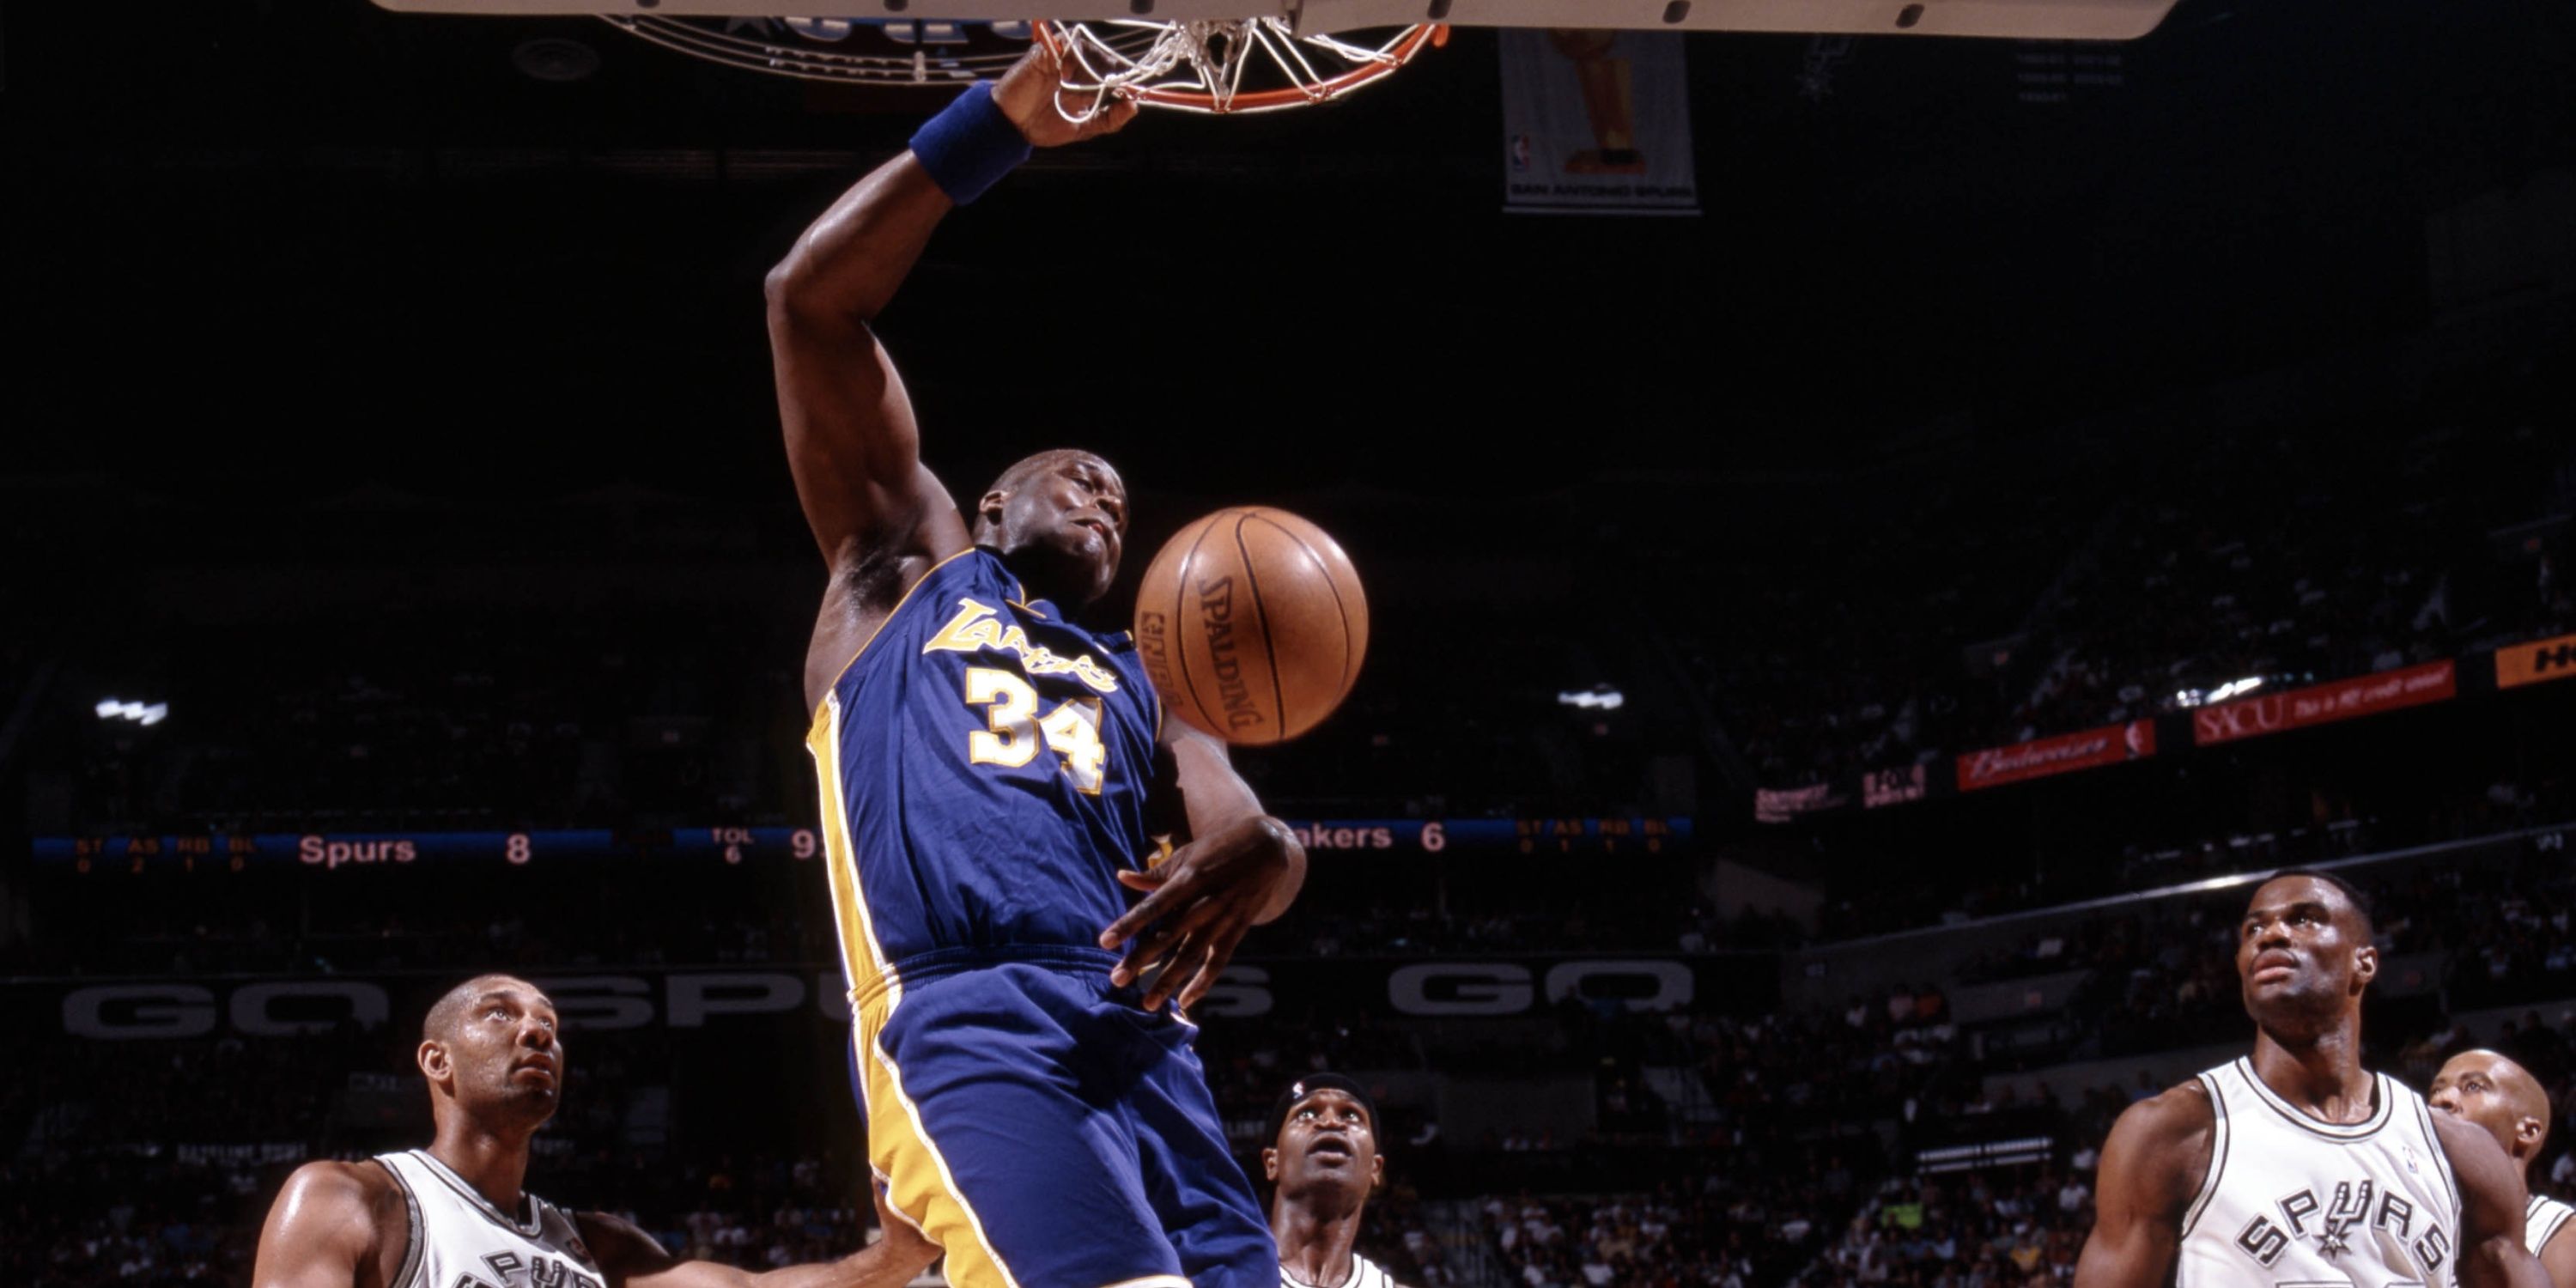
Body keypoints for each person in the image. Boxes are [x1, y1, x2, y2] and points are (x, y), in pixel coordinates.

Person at [766, 43, 1308, 1288]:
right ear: (994, 506)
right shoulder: (906, 572)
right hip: (973, 1015)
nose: (1107, 497)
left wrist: (1271, 854)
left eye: (1121, 495)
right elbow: (808, 301)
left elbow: (1244, 849)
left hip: (1144, 1040)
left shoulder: (1152, 673)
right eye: (1078, 478)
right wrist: (996, 124)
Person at [250, 975, 933, 1288]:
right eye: (498, 1014)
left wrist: (896, 1256)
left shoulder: (599, 1245)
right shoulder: (351, 1199)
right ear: (437, 1061)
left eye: (548, 1022)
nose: (537, 1028)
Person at [2075, 872, 2546, 1286]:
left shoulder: (2460, 1152)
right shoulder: (2173, 1133)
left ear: (2364, 962)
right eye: (2254, 927)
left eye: (2304, 919)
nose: (2271, 934)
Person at [2429, 1048, 2576, 1283]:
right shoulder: (2415, 1223)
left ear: (2527, 1131)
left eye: (2473, 1087)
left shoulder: (2564, 1237)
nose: (2441, 1099)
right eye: (2436, 1090)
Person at [1265, 1075, 1408, 1288]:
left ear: (1375, 1168)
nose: (1331, 1122)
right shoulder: (1214, 1280)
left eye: (1351, 1115)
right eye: (1306, 1113)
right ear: (1272, 1162)